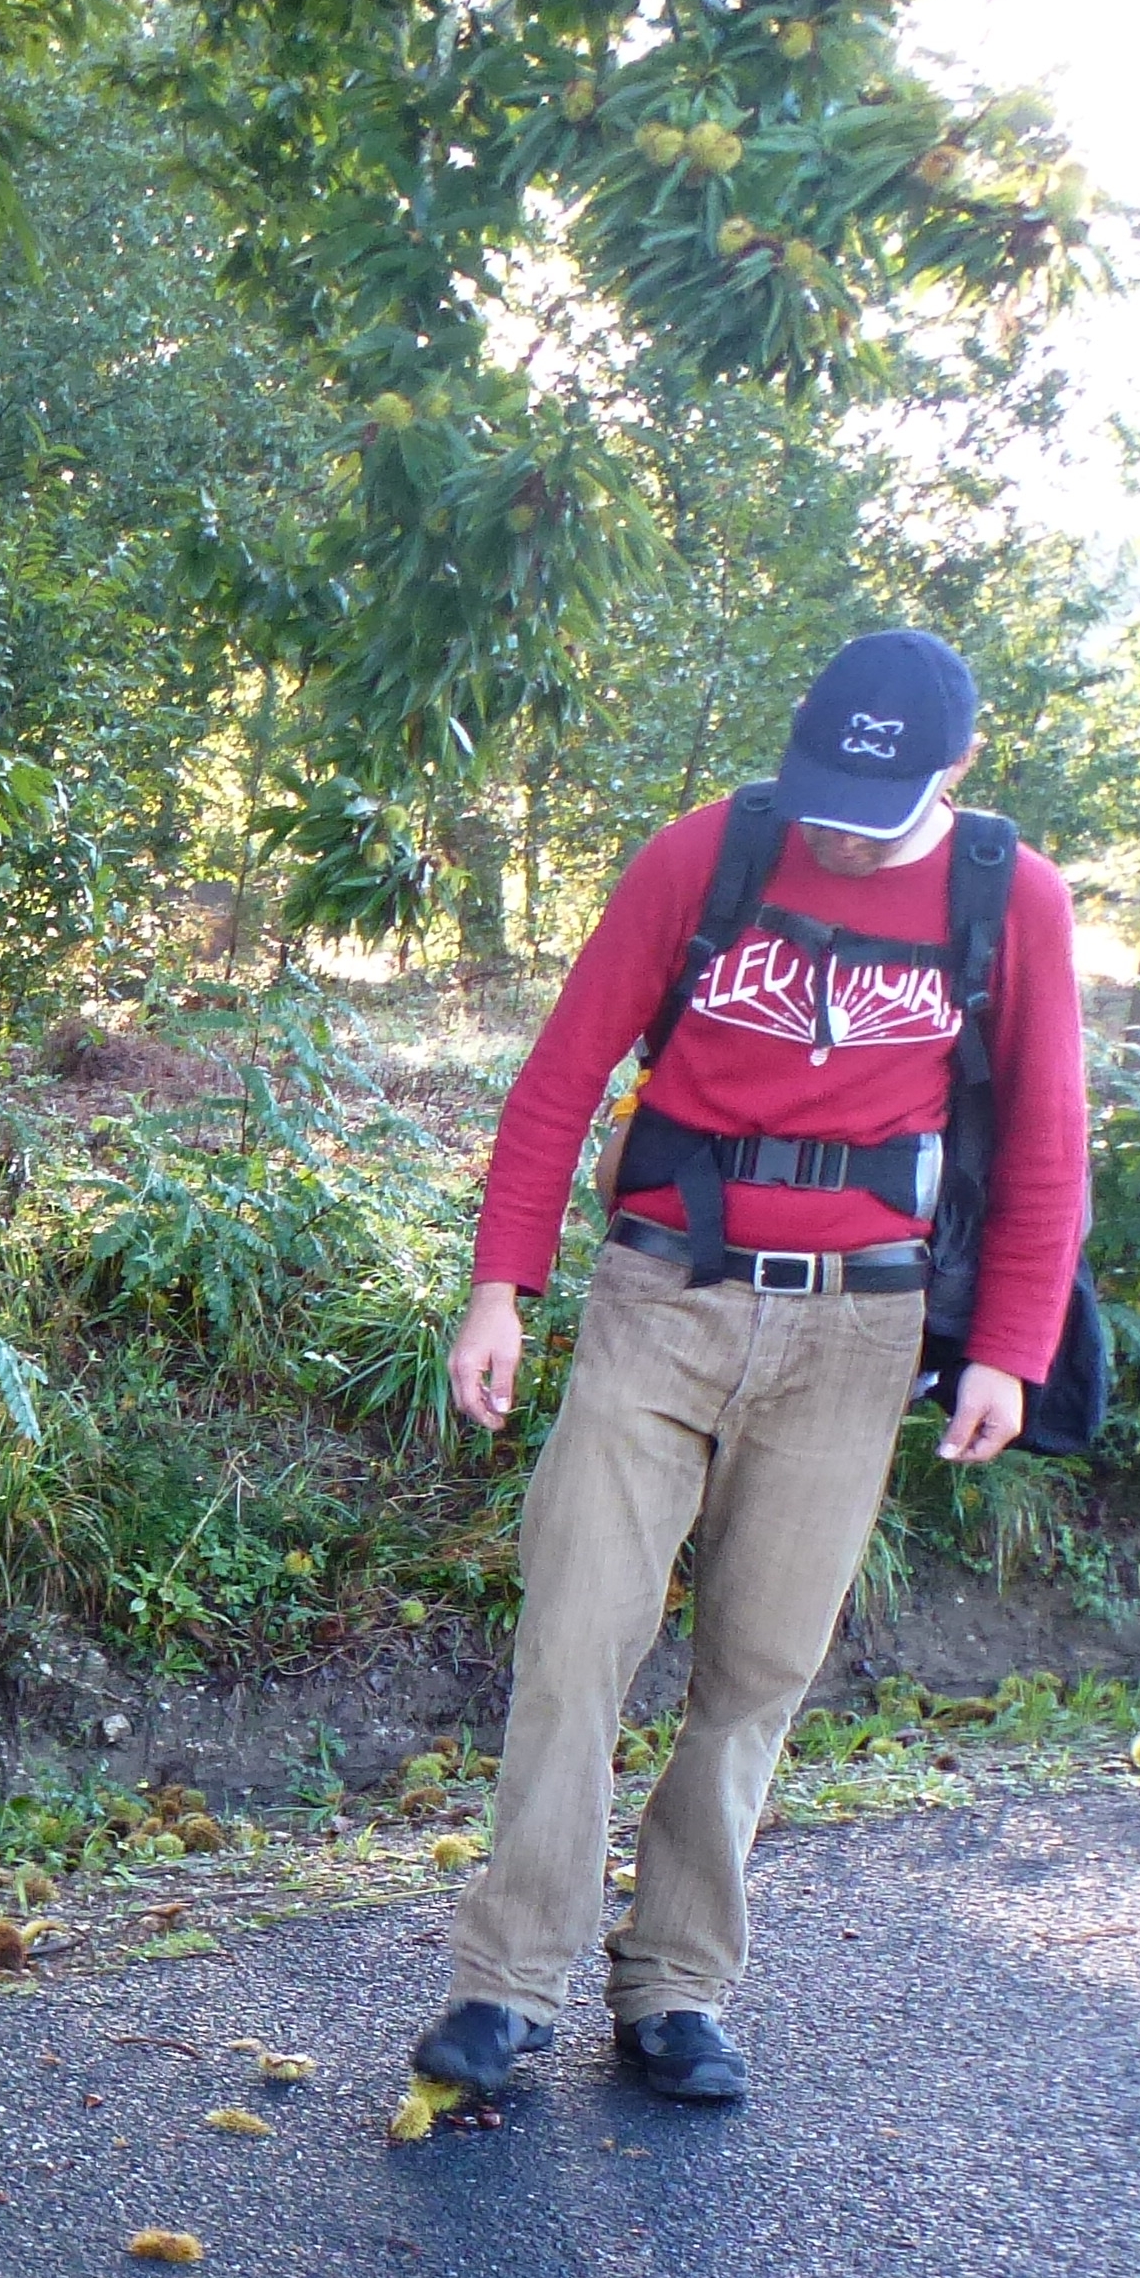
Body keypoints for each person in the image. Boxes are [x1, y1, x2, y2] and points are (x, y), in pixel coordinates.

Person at [417, 629, 1090, 2107]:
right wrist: (500, 1289)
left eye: (886, 803)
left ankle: (675, 1986)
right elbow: (561, 1076)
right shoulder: (709, 853)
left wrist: (1010, 1354)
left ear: (957, 769)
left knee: (760, 1667)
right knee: (579, 1634)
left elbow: (1045, 1144)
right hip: (664, 1295)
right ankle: (508, 1983)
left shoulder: (1007, 895)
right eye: (827, 795)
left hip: (863, 1329)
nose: (847, 832)